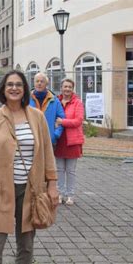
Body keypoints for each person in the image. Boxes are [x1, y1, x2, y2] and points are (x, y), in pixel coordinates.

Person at [0, 70, 59, 264]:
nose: (14, 88)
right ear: (3, 89)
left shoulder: (37, 117)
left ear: (25, 89)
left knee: (26, 249)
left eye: (19, 85)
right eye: (10, 85)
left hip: (31, 191)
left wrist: (53, 185)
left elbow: (48, 152)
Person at [54, 78, 84, 206]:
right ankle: (60, 194)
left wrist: (62, 122)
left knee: (71, 170)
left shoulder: (77, 102)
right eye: (65, 86)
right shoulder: (56, 101)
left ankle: (70, 195)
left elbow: (78, 121)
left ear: (73, 89)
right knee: (60, 170)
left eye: (69, 87)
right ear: (61, 87)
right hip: (59, 140)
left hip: (72, 141)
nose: (67, 89)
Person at [29, 72, 65, 145]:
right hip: (31, 141)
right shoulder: (26, 99)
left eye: (42, 81)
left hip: (49, 142)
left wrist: (55, 135)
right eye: (37, 81)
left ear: (46, 84)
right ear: (34, 83)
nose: (39, 83)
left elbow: (62, 118)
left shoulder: (54, 100)